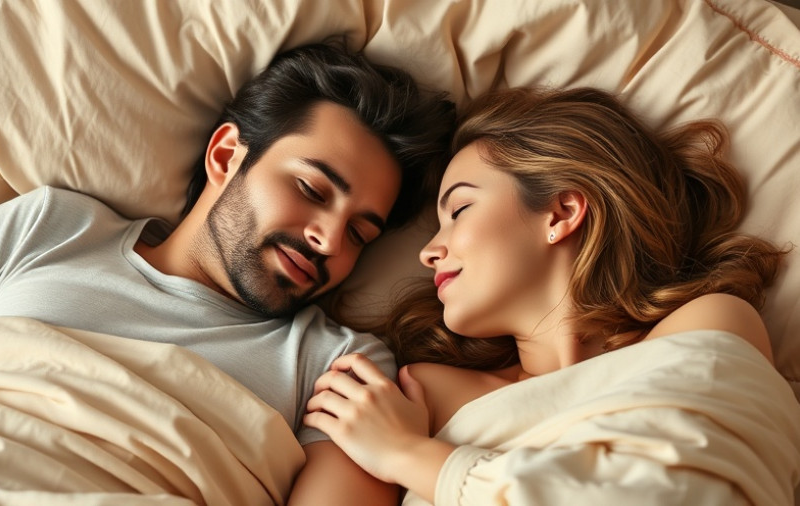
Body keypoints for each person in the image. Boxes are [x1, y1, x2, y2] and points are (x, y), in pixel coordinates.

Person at [0, 42, 456, 504]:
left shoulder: (340, 366)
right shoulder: (51, 225)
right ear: (225, 156)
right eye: (311, 190)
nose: (329, 240)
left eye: (360, 234)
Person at [303, 86, 789, 503]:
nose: (429, 251)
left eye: (460, 209)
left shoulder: (714, 322)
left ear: (561, 213)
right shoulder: (415, 395)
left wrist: (408, 456)